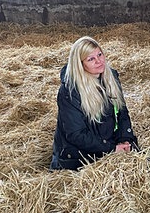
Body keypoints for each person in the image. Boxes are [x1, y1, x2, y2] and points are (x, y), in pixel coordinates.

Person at [50, 36, 139, 171]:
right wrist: (111, 149)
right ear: (80, 64)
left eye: (99, 54)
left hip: (107, 142)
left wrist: (125, 139)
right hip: (78, 155)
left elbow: (121, 112)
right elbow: (75, 134)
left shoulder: (111, 77)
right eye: (91, 59)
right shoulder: (70, 90)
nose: (99, 61)